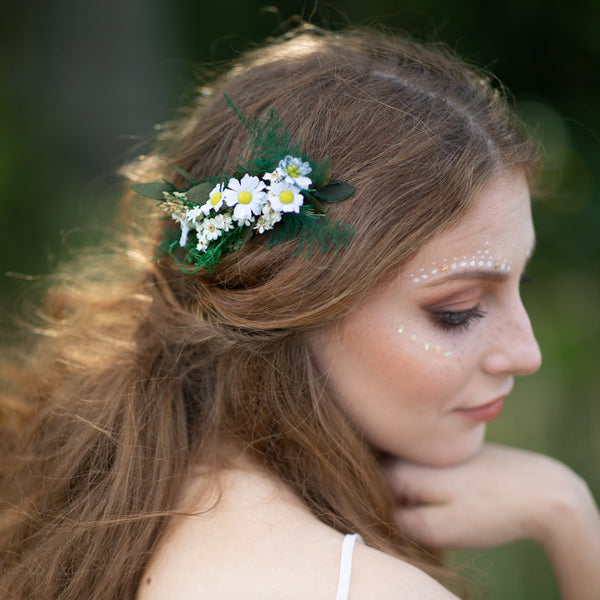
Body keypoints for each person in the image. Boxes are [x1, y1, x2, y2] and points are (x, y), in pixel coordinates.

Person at [1, 25, 599, 600]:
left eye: (523, 281)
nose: (527, 353)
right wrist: (575, 527)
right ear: (289, 301)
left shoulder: (88, 487)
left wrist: (561, 508)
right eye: (459, 310)